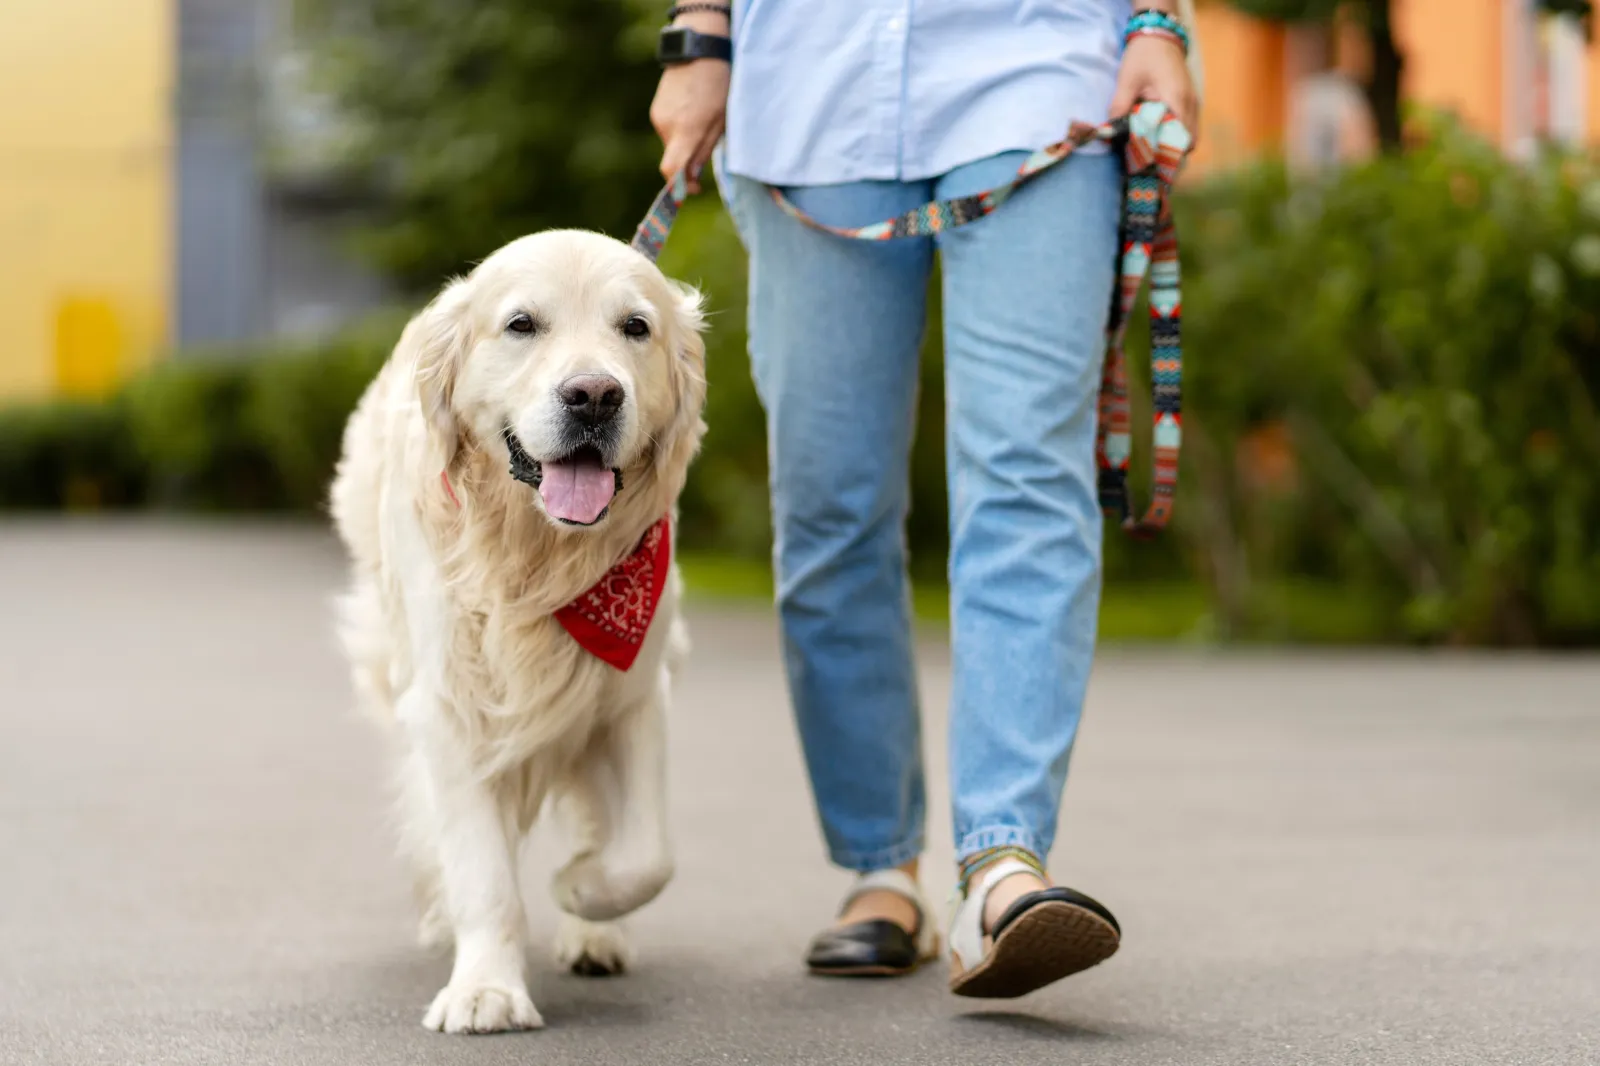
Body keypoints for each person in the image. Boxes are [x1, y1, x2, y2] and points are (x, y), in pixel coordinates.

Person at [649, 1, 1200, 997]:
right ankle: (878, 867)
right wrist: (699, 35)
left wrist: (1159, 22)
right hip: (810, 89)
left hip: (1037, 67)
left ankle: (999, 866)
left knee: (1028, 474)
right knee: (828, 503)